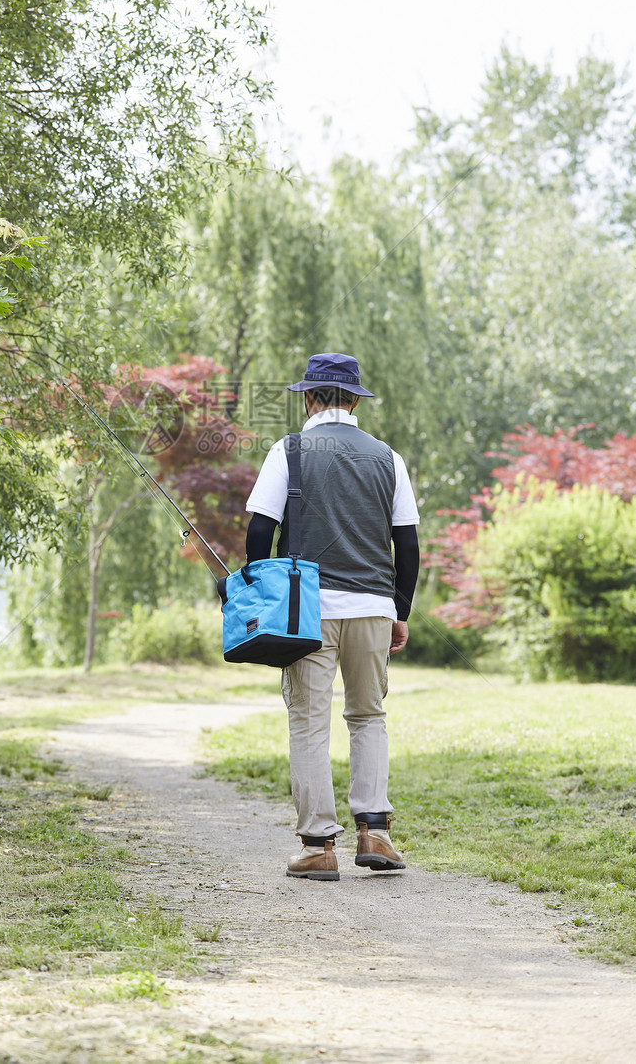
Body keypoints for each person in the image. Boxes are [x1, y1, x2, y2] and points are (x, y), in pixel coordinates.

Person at [245, 352, 420, 881]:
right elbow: (407, 544)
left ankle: (319, 845)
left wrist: (261, 594)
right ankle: (376, 832)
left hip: (308, 610)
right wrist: (400, 612)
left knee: (308, 721)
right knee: (368, 716)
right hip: (372, 607)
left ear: (309, 398)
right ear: (354, 400)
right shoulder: (388, 457)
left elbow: (259, 531)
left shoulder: (290, 450)